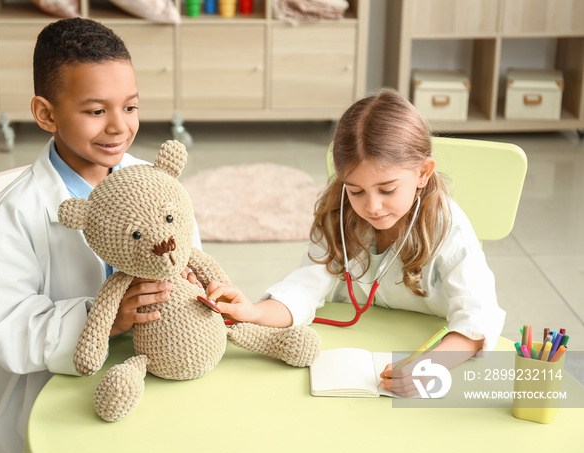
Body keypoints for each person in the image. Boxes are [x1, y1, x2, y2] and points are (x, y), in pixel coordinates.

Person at [0, 18, 200, 453]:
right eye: (96, 111)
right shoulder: (15, 215)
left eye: (129, 107)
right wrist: (104, 319)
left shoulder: (154, 183)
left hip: (153, 362)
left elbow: (185, 250)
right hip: (54, 388)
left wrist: (194, 287)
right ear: (46, 113)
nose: (118, 127)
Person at [206, 89, 505, 397]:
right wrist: (255, 312)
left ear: (422, 173)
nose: (372, 207)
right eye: (356, 191)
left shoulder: (449, 225)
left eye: (387, 190)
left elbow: (477, 318)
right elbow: (304, 288)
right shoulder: (338, 214)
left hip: (426, 347)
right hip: (348, 350)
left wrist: (431, 366)